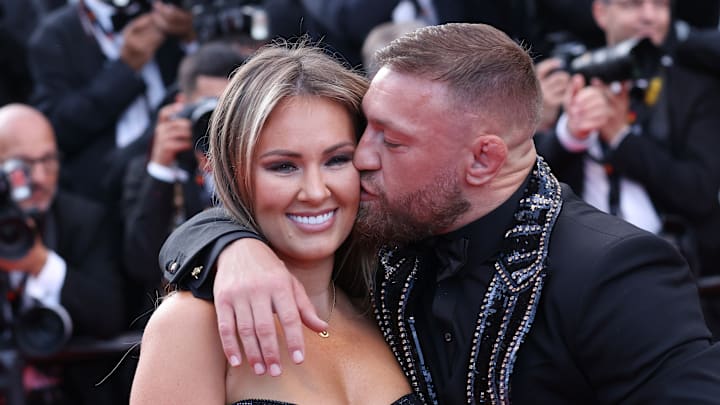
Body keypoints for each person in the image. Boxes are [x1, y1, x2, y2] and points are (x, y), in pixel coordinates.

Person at [158, 23, 720, 404]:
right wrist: (229, 244)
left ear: (483, 160)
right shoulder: (388, 252)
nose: (362, 158)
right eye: (365, 131)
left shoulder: (614, 273)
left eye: (389, 141)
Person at [130, 41, 420, 405]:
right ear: (237, 174)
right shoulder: (192, 324)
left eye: (337, 160)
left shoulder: (394, 307)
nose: (315, 191)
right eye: (284, 166)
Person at [534, 0, 720, 334]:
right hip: (572, 276)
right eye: (632, 4)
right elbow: (526, 187)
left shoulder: (693, 88)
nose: (649, 15)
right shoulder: (564, 85)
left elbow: (699, 194)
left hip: (673, 274)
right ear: (600, 13)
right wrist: (566, 133)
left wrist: (621, 138)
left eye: (661, 5)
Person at [0, 104, 126, 403]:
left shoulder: (84, 219)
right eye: (23, 165)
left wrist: (41, 264)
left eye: (48, 160)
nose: (41, 177)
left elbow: (109, 316)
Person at [122, 41, 246, 327]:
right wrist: (163, 170)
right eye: (209, 109)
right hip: (179, 324)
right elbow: (140, 263)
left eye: (229, 110)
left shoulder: (261, 165)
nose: (218, 123)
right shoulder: (148, 171)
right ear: (181, 106)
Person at [26, 0, 195, 207]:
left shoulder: (166, 13)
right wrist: (125, 68)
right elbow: (58, 128)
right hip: (103, 192)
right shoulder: (54, 34)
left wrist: (190, 39)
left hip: (178, 171)